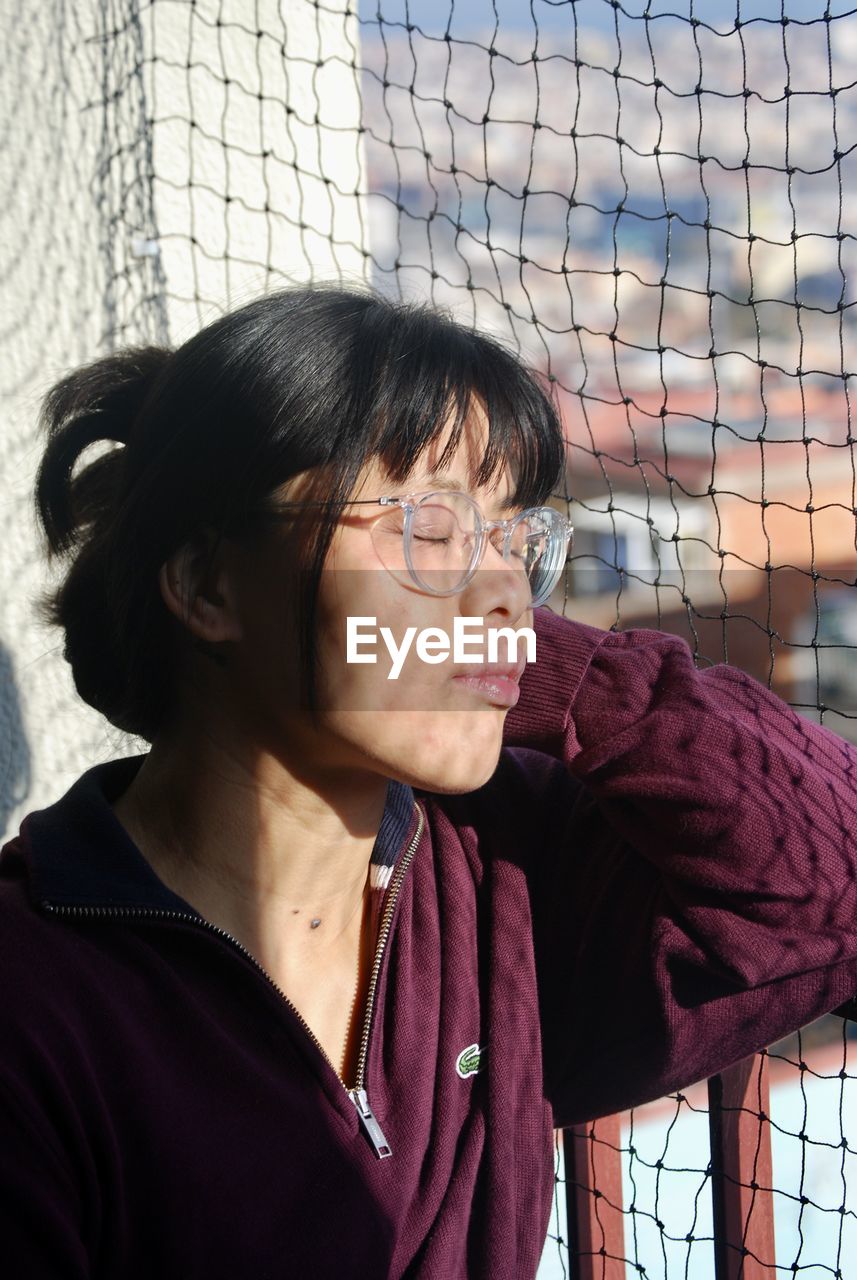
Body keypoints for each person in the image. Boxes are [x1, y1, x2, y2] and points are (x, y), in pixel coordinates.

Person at [2, 284, 856, 1280]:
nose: (501, 586)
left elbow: (828, 870)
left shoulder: (496, 873)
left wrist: (525, 661)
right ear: (206, 585)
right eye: (427, 530)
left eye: (513, 541)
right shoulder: (36, 999)